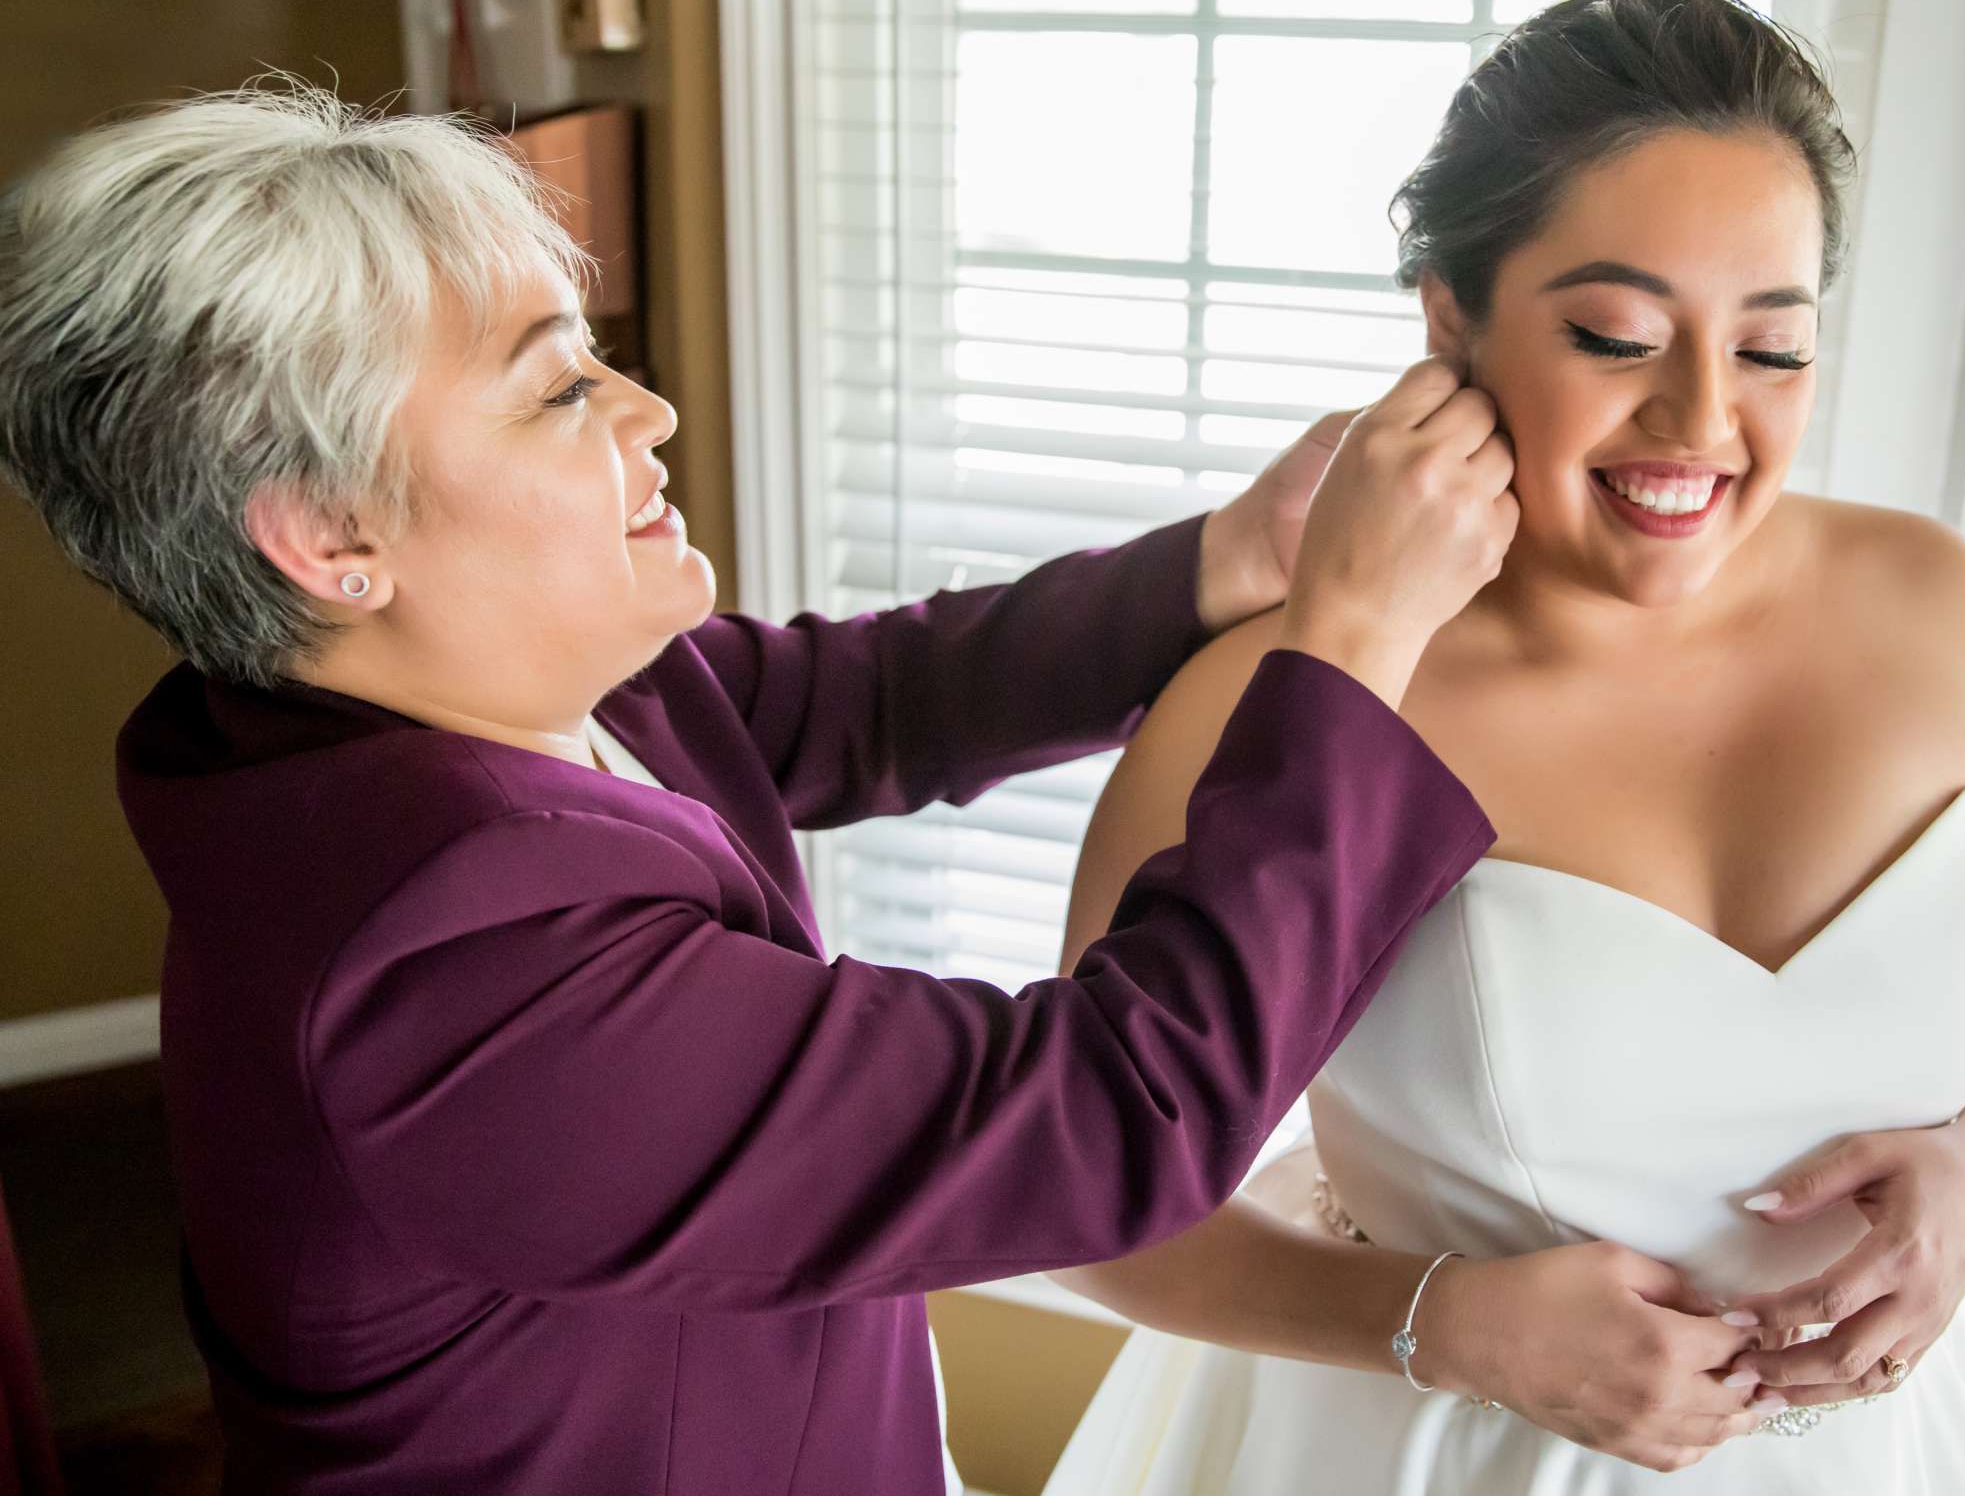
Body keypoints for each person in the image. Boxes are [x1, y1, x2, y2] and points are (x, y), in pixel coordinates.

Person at [0, 83, 1520, 1494]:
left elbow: (863, 696)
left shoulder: (447, 687)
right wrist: (1353, 643)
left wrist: (1232, 560)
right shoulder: (458, 987)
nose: (645, 414)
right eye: (553, 396)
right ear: (330, 540)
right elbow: (1114, 1114)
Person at [1041, 0, 1965, 1494]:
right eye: (1619, 337)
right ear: (1453, 323)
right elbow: (1080, 1200)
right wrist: (1451, 1323)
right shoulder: (1273, 707)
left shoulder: (1945, 612)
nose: (1700, 421)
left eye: (1771, 348)